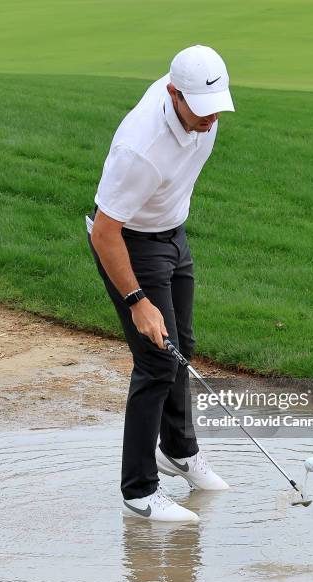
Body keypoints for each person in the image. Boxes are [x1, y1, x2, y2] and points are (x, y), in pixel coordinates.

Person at [86, 45, 235, 522]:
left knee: (181, 347)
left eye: (217, 108)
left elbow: (202, 111)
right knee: (155, 361)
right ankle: (139, 491)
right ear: (174, 95)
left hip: (174, 233)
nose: (211, 119)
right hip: (131, 241)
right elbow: (105, 232)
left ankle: (179, 451)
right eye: (201, 109)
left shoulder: (201, 108)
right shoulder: (139, 149)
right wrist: (136, 300)